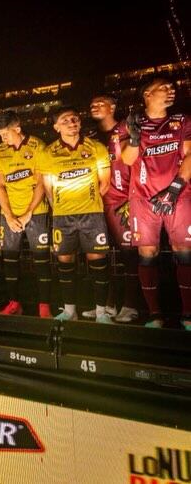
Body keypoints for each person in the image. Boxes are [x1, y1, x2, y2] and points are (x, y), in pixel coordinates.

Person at [121, 78, 190, 329]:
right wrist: (135, 138)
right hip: (143, 200)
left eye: (172, 88)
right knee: (147, 254)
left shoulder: (182, 121)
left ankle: (188, 315)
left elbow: (190, 154)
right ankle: (155, 315)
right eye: (165, 87)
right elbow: (127, 160)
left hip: (178, 196)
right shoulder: (133, 123)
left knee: (184, 251)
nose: (171, 90)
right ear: (148, 94)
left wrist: (174, 188)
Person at [37, 106, 111, 322]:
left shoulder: (95, 147)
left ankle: (101, 313)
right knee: (65, 262)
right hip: (63, 217)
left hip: (92, 215)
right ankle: (70, 311)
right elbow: (48, 187)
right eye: (65, 120)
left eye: (75, 118)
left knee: (97, 261)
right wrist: (61, 206)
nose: (71, 122)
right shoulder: (48, 153)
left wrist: (86, 201)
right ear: (56, 126)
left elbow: (104, 182)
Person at [0, 111, 53, 317]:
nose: (3, 139)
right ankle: (14, 303)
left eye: (5, 134)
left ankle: (44, 306)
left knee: (41, 259)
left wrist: (28, 213)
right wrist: (8, 215)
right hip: (10, 215)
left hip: (36, 213)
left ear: (17, 129)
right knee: (9, 260)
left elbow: (41, 183)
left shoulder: (38, 146)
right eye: (0, 135)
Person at [89, 95, 140, 323]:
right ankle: (106, 305)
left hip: (123, 203)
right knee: (101, 256)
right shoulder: (89, 137)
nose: (95, 107)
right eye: (92, 105)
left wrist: (134, 196)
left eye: (100, 103)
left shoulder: (125, 129)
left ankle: (130, 306)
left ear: (113, 107)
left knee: (129, 255)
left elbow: (138, 162)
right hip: (96, 205)